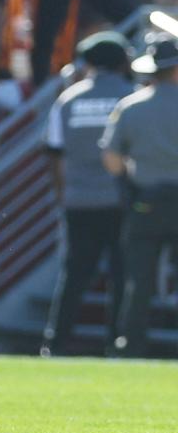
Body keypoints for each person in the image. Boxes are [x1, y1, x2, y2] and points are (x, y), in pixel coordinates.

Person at [41, 32, 134, 357]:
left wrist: (62, 194)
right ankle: (117, 345)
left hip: (78, 200)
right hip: (122, 201)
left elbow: (54, 153)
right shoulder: (131, 96)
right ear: (123, 61)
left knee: (74, 275)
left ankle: (54, 344)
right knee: (122, 276)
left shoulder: (67, 100)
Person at [100, 33, 178, 358]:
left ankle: (131, 345)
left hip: (146, 200)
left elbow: (111, 157)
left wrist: (131, 180)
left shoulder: (130, 107)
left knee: (139, 278)